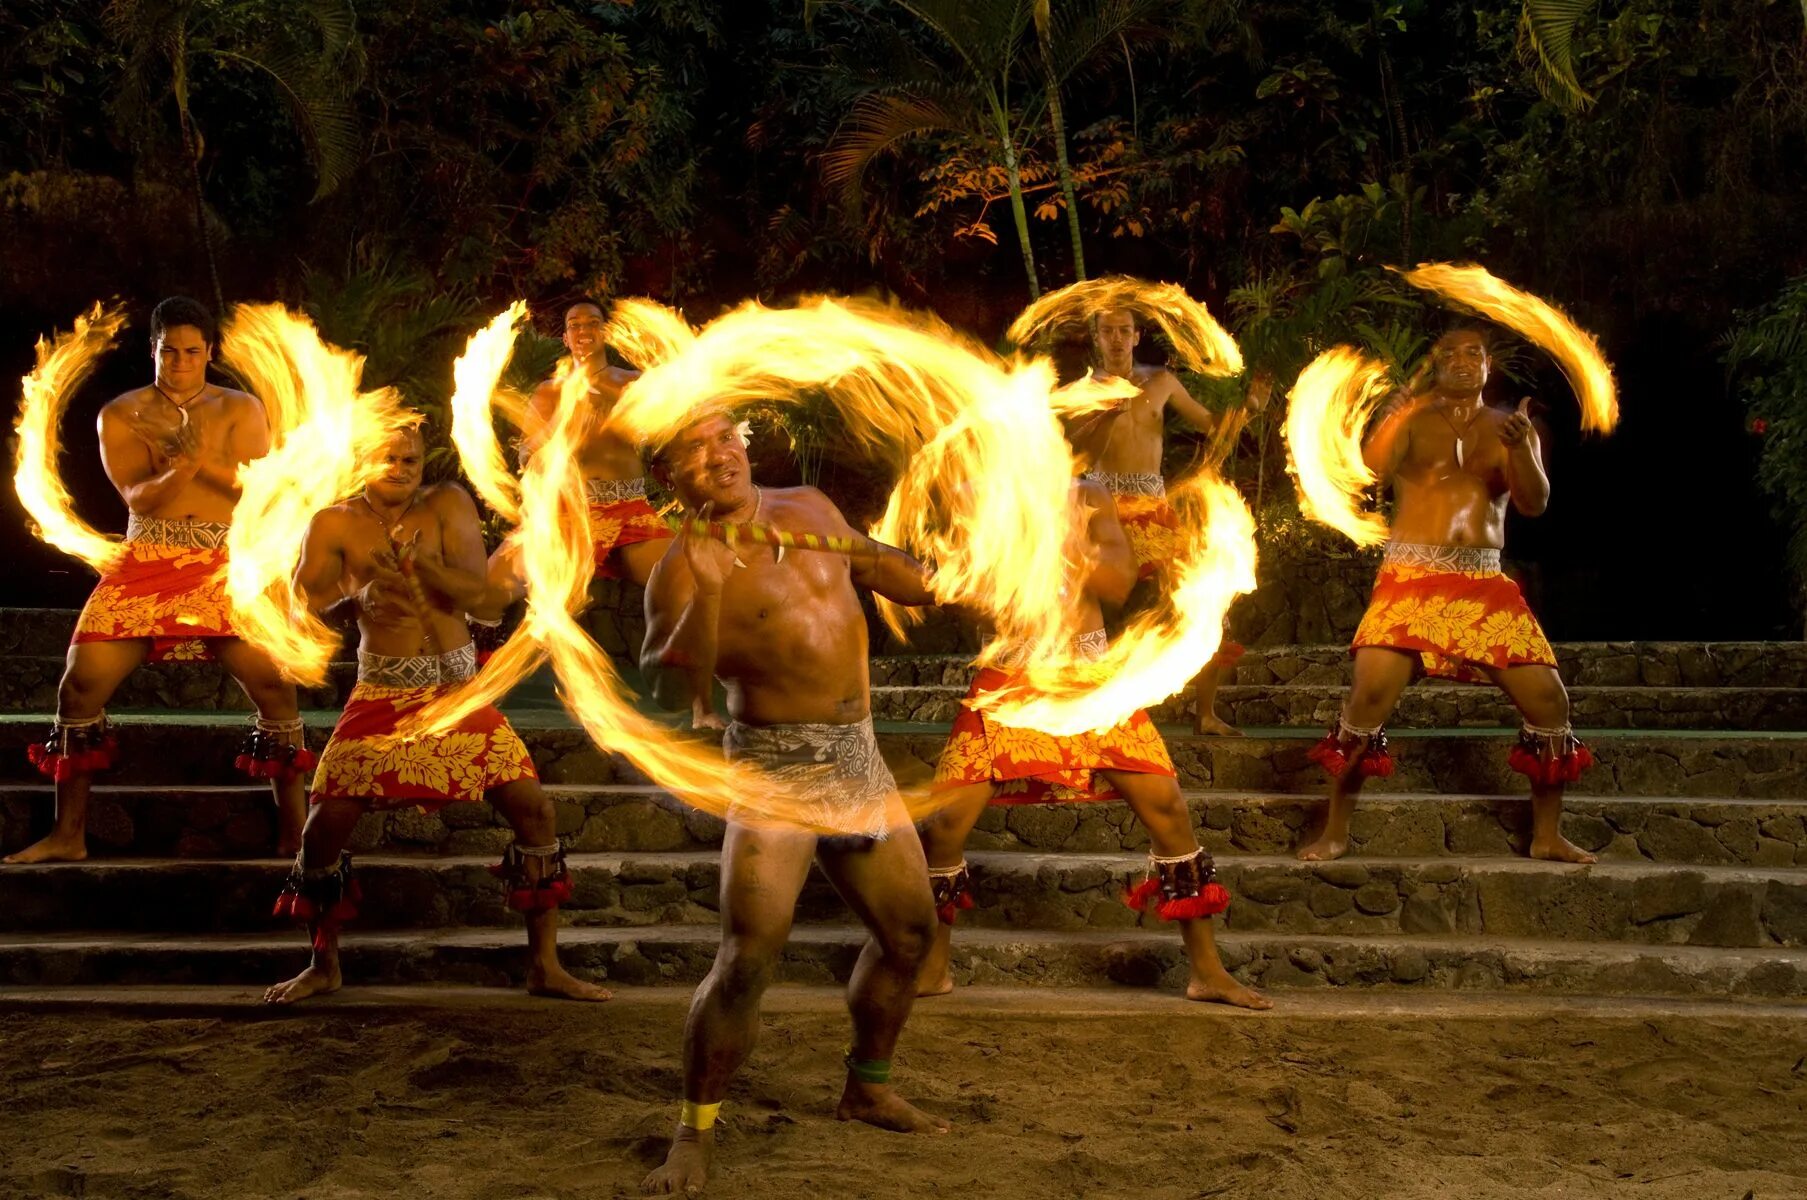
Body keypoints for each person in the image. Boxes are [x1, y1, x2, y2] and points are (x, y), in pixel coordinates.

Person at [639, 413, 947, 1196]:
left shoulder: (810, 506)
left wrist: (911, 568)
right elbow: (675, 692)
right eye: (694, 450)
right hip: (776, 770)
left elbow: (900, 579)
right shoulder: (678, 569)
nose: (719, 456)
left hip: (859, 758)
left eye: (724, 438)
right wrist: (705, 596)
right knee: (747, 958)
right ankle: (692, 1133)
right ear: (669, 479)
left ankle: (866, 1086)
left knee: (911, 936)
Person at [918, 412, 1269, 1010]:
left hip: (1091, 676)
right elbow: (965, 591)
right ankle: (930, 965)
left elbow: (1118, 580)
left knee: (1168, 809)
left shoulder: (1090, 496)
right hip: (1012, 677)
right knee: (948, 824)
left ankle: (1207, 970)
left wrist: (1065, 546)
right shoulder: (974, 500)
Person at [262, 423, 610, 1005]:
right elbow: (301, 607)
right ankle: (323, 965)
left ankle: (544, 966)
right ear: (363, 459)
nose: (403, 467)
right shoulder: (334, 523)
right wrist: (356, 597)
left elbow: (478, 597)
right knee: (322, 830)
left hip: (456, 691)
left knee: (534, 811)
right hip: (380, 695)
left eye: (413, 459)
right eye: (389, 457)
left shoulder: (448, 503)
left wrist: (420, 565)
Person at [7, 296, 309, 865]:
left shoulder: (241, 408)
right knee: (80, 683)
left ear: (209, 352)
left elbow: (257, 490)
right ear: (154, 350)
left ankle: (295, 834)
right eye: (169, 352)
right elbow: (137, 496)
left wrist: (198, 459)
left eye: (192, 352)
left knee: (276, 688)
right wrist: (181, 466)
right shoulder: (121, 413)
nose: (180, 363)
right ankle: (68, 834)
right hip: (148, 557)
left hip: (225, 561)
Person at [1296, 327, 1595, 865]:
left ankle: (1547, 835)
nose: (1462, 361)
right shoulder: (1412, 421)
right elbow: (1369, 473)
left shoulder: (1511, 426)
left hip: (1482, 585)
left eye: (1473, 354)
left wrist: (1521, 449)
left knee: (1551, 702)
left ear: (1487, 367)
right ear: (1435, 365)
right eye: (1450, 353)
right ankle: (1334, 830)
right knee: (1365, 699)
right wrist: (1392, 416)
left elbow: (1533, 504)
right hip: (1411, 579)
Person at [1085, 308, 1268, 736]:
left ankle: (1206, 714)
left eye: (1123, 331)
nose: (1115, 338)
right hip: (1098, 509)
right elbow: (1064, 452)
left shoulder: (1161, 384)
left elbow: (1212, 427)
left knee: (1205, 600)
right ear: (1095, 338)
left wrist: (1251, 409)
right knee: (1085, 610)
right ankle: (1090, 712)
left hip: (1151, 510)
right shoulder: (1079, 392)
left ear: (1136, 337)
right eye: (1107, 330)